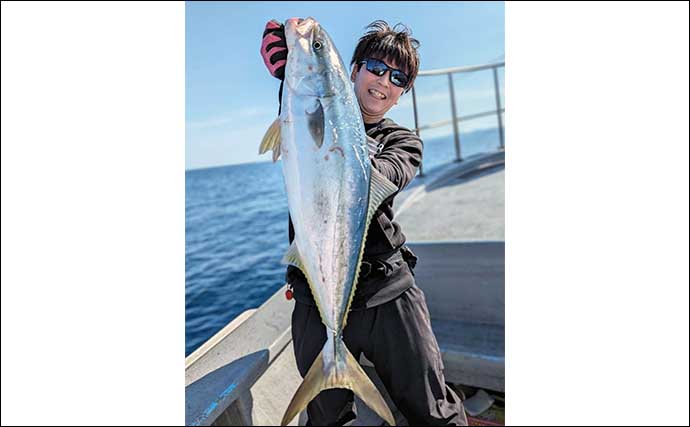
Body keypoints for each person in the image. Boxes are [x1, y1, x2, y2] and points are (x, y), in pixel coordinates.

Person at [261, 18, 468, 426]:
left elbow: (381, 176)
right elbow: (305, 119)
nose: (383, 81)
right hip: (316, 300)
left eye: (398, 77)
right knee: (327, 420)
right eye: (375, 67)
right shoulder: (303, 113)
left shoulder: (403, 141)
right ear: (352, 71)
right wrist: (290, 76)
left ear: (400, 94)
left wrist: (319, 101)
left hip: (389, 295)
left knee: (434, 411)